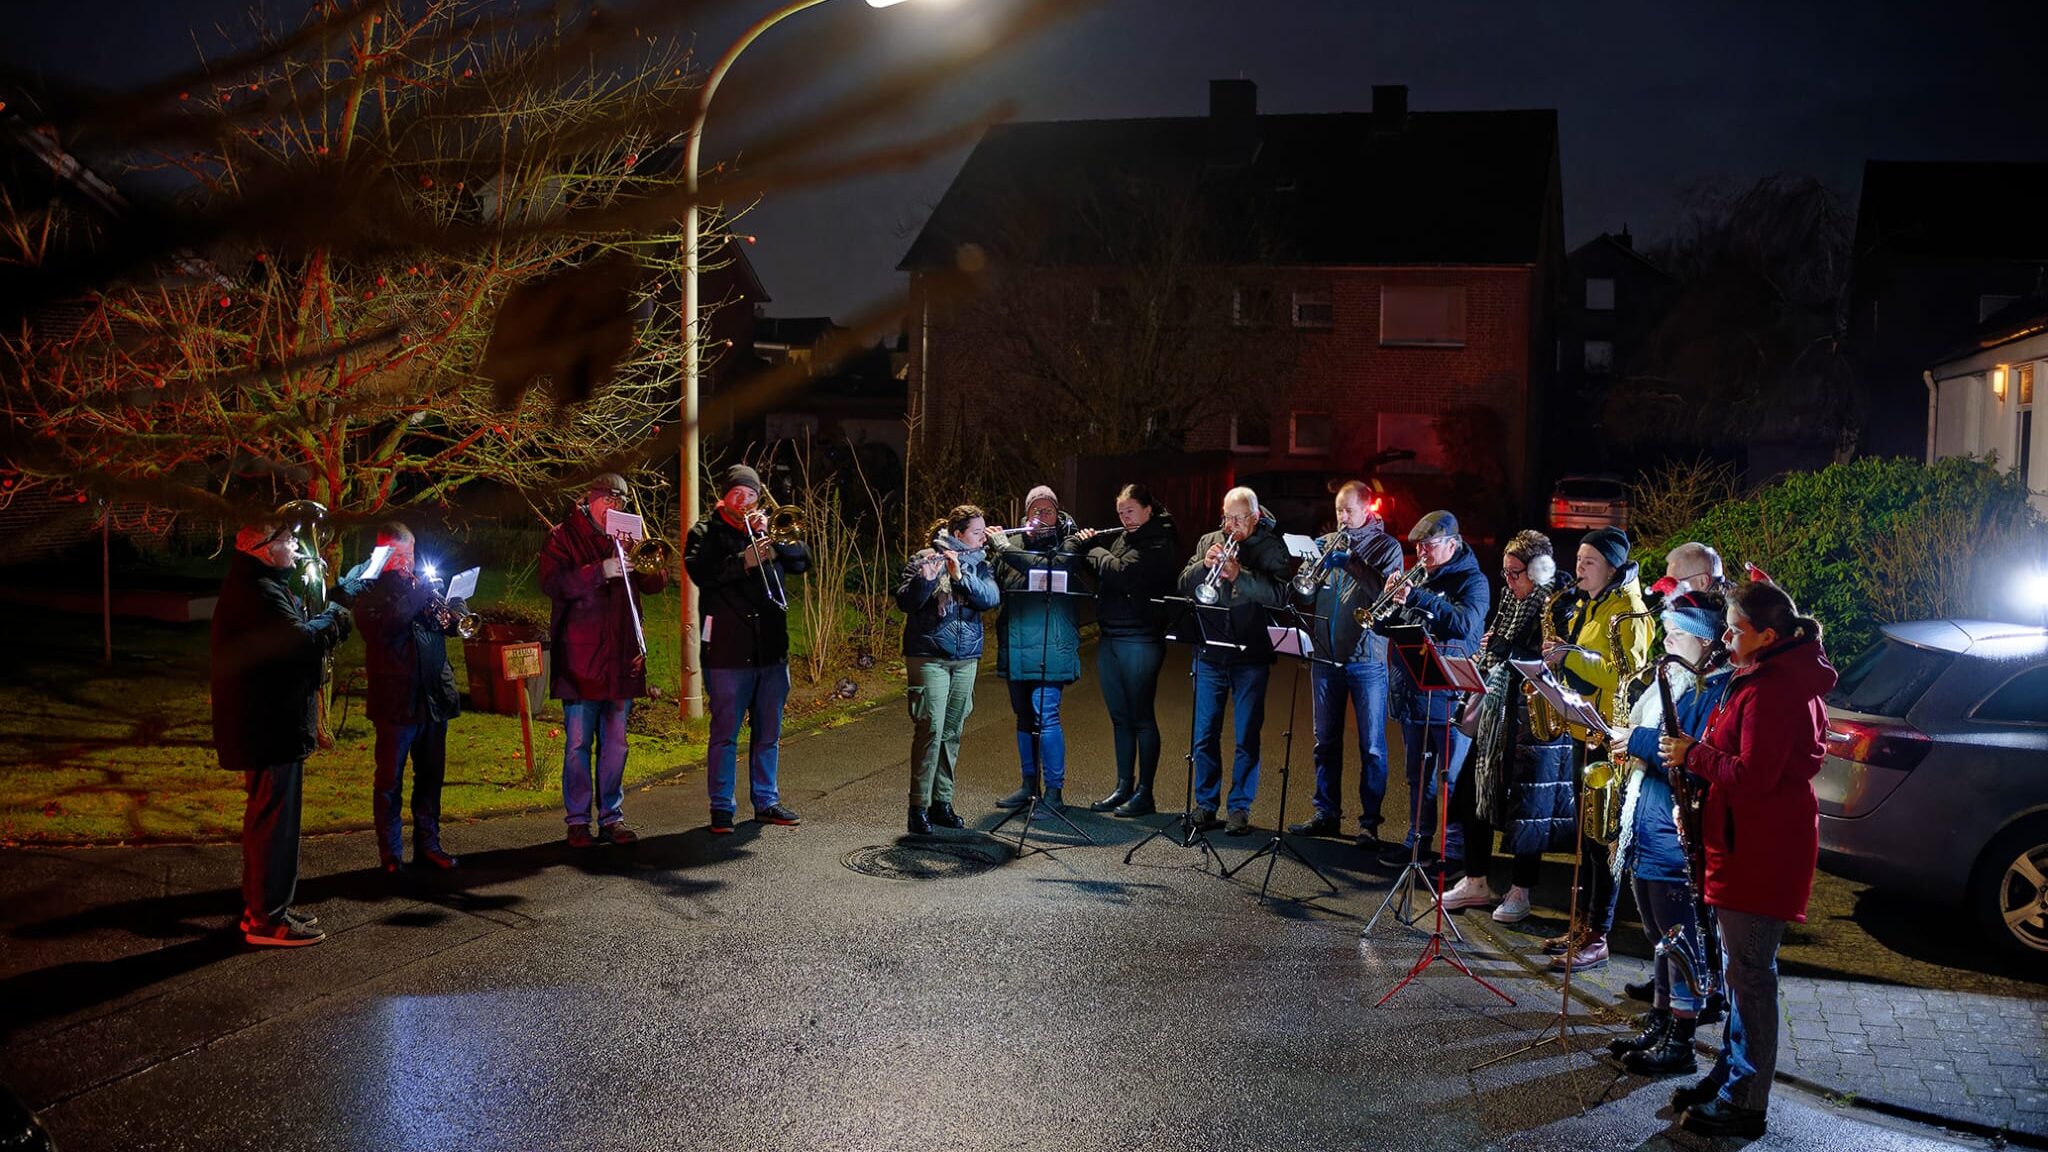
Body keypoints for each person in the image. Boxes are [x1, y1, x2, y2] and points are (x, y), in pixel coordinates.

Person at [1659, 581, 1835, 1140]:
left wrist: (1694, 754)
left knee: (1751, 976)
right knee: (1740, 973)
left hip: (1761, 847)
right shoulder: (1765, 675)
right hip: (1746, 840)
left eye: (1736, 631)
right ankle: (1730, 1075)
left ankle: (1746, 1100)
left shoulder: (1774, 688)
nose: (1726, 640)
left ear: (1768, 635)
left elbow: (1755, 774)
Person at [1605, 589, 1733, 1075]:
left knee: (1680, 936)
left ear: (1705, 640)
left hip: (1674, 832)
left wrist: (1635, 739)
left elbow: (1685, 753)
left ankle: (1681, 1039)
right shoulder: (1679, 679)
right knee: (1659, 934)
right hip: (1648, 822)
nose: (1666, 641)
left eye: (1677, 633)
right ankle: (1660, 1020)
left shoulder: (1713, 690)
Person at [212, 518, 353, 947]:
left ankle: (268, 908)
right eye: (288, 540)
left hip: (269, 724)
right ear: (264, 549)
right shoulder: (259, 591)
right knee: (274, 825)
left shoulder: (260, 585)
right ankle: (266, 920)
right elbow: (298, 643)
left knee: (271, 821)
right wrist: (335, 615)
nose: (295, 546)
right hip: (269, 726)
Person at [1441, 530, 1575, 921]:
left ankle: (1521, 891)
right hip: (1497, 713)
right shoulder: (1510, 599)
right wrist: (1491, 649)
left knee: (1527, 809)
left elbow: (1549, 657)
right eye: (1505, 572)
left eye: (1515, 573)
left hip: (1532, 719)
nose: (1509, 580)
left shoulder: (1557, 603)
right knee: (1473, 792)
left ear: (1539, 570)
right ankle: (1476, 881)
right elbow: (1501, 644)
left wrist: (1507, 649)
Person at [1539, 524, 1654, 970]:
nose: (1579, 568)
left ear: (1612, 567)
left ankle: (1599, 934)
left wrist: (1568, 655)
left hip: (1610, 737)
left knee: (1603, 841)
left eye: (1589, 562)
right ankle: (1582, 925)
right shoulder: (1592, 603)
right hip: (1583, 730)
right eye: (1579, 560)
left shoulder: (1630, 612)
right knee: (1585, 840)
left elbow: (1624, 675)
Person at [540, 473, 670, 847]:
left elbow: (657, 583)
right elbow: (552, 583)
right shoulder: (563, 536)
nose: (614, 506)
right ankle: (578, 821)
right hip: (580, 659)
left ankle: (612, 817)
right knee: (578, 744)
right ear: (590, 499)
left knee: (616, 745)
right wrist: (601, 570)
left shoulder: (629, 536)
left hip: (622, 657)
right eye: (608, 500)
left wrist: (640, 556)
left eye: (620, 501)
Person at [684, 464, 810, 834]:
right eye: (737, 494)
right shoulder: (705, 532)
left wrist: (771, 536)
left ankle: (766, 801)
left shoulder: (768, 531)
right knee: (725, 734)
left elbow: (803, 561)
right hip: (727, 651)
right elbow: (701, 572)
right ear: (724, 497)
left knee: (768, 733)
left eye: (751, 495)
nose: (744, 501)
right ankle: (721, 807)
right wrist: (745, 560)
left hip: (771, 649)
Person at [1286, 481, 1405, 850]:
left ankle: (1369, 824)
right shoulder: (1326, 543)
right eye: (1338, 510)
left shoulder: (1387, 548)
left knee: (1372, 747)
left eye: (1349, 511)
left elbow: (1385, 595)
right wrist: (1307, 571)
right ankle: (1326, 812)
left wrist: (1351, 562)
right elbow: (1305, 592)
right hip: (1325, 655)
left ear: (1367, 509)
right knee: (1325, 741)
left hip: (1366, 659)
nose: (1342, 517)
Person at [1373, 510, 1489, 870]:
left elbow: (1463, 624)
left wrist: (1416, 598)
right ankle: (1417, 842)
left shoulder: (1473, 581)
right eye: (1418, 546)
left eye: (1429, 545)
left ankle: (1453, 852)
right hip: (1414, 692)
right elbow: (1390, 629)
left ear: (1452, 544)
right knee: (1418, 776)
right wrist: (1388, 606)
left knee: (1451, 780)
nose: (1421, 552)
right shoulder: (1420, 576)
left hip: (1450, 695)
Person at [351, 523, 467, 874]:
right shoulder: (368, 589)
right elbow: (385, 628)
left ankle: (429, 845)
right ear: (382, 554)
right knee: (390, 781)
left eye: (410, 554)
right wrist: (420, 594)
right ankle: (391, 854)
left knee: (430, 778)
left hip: (433, 697)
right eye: (399, 555)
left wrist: (456, 608)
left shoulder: (420, 587)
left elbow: (446, 627)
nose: (406, 562)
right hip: (396, 701)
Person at [1176, 486, 1292, 836]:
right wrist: (1203, 566)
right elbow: (1184, 584)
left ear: (1255, 518)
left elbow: (1280, 595)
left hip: (1251, 655)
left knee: (1246, 736)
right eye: (1227, 517)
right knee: (1204, 734)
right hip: (1210, 651)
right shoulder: (1208, 541)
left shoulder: (1272, 548)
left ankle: (1239, 808)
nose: (1231, 526)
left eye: (1239, 519)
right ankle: (1205, 804)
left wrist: (1240, 575)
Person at [1068, 484, 1180, 817]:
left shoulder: (1159, 540)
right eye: (1120, 513)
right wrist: (1088, 554)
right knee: (1120, 717)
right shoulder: (1123, 538)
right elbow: (1105, 575)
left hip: (1141, 638)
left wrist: (1092, 547)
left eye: (1130, 511)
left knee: (1141, 717)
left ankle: (1145, 793)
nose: (1124, 518)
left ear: (1148, 509)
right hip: (1113, 636)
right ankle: (1123, 786)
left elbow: (1122, 573)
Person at [897, 505, 1000, 835]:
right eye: (977, 532)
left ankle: (942, 802)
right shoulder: (924, 558)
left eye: (983, 532)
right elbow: (906, 602)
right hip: (929, 655)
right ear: (958, 534)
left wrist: (960, 576)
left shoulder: (981, 564)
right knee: (930, 728)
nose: (983, 537)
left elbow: (989, 598)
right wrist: (925, 582)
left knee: (952, 731)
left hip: (966, 657)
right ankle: (918, 806)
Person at [988, 485, 1083, 814]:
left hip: (1051, 643)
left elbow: (1049, 570)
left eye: (1048, 511)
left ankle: (1054, 792)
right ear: (1025, 515)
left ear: (1057, 514)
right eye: (1035, 511)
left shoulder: (1069, 541)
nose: (1041, 517)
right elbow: (993, 585)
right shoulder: (1010, 543)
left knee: (1047, 715)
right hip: (1016, 643)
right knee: (1023, 716)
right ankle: (1029, 786)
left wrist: (1003, 549)